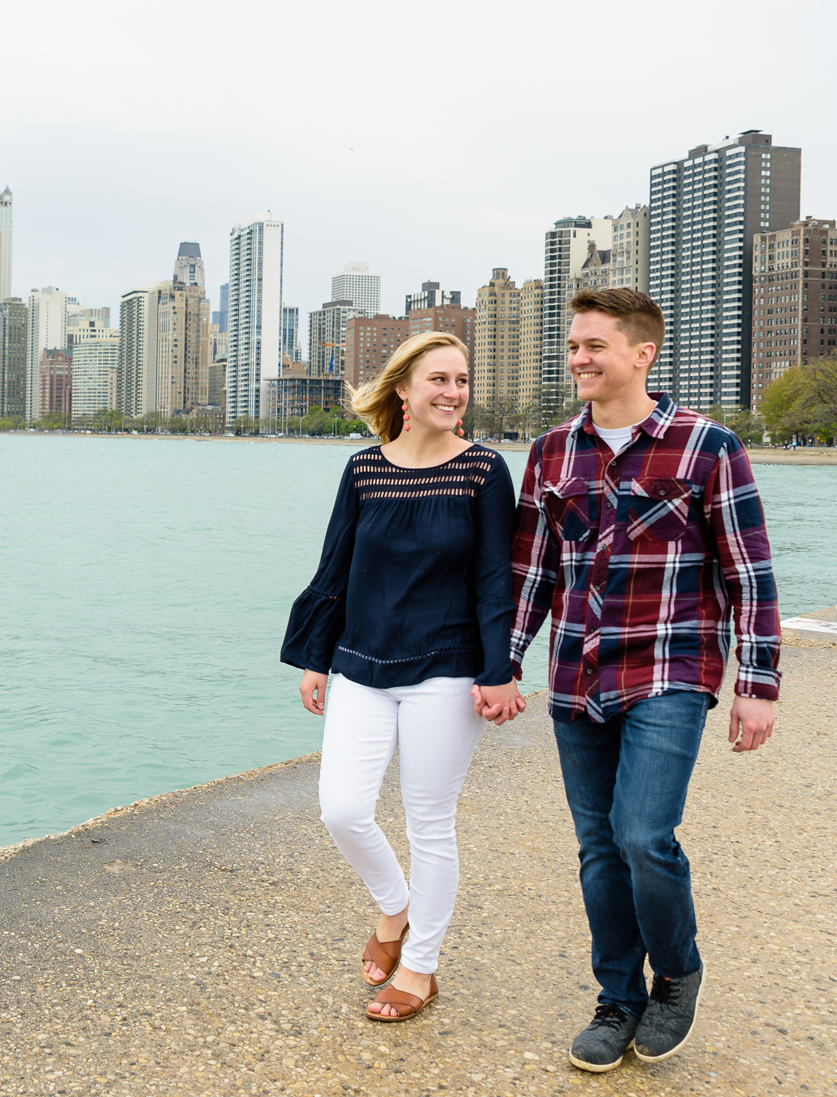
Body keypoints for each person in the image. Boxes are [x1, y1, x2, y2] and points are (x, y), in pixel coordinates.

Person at [506, 288, 780, 1072]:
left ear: (642, 353)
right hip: (576, 672)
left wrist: (758, 683)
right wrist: (505, 660)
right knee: (598, 848)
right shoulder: (553, 450)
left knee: (641, 834)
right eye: (573, 345)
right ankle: (617, 996)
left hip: (671, 667)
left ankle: (677, 975)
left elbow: (749, 574)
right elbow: (531, 571)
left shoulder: (708, 446)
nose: (579, 358)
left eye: (594, 344)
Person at [280, 332, 525, 1024]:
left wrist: (498, 670)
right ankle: (395, 907)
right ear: (403, 392)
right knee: (342, 809)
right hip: (361, 663)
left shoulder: (483, 470)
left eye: (462, 380)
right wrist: (315, 656)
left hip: (445, 672)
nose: (454, 392)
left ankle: (421, 965)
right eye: (439, 379)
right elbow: (335, 569)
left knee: (430, 823)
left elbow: (491, 580)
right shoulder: (362, 470)